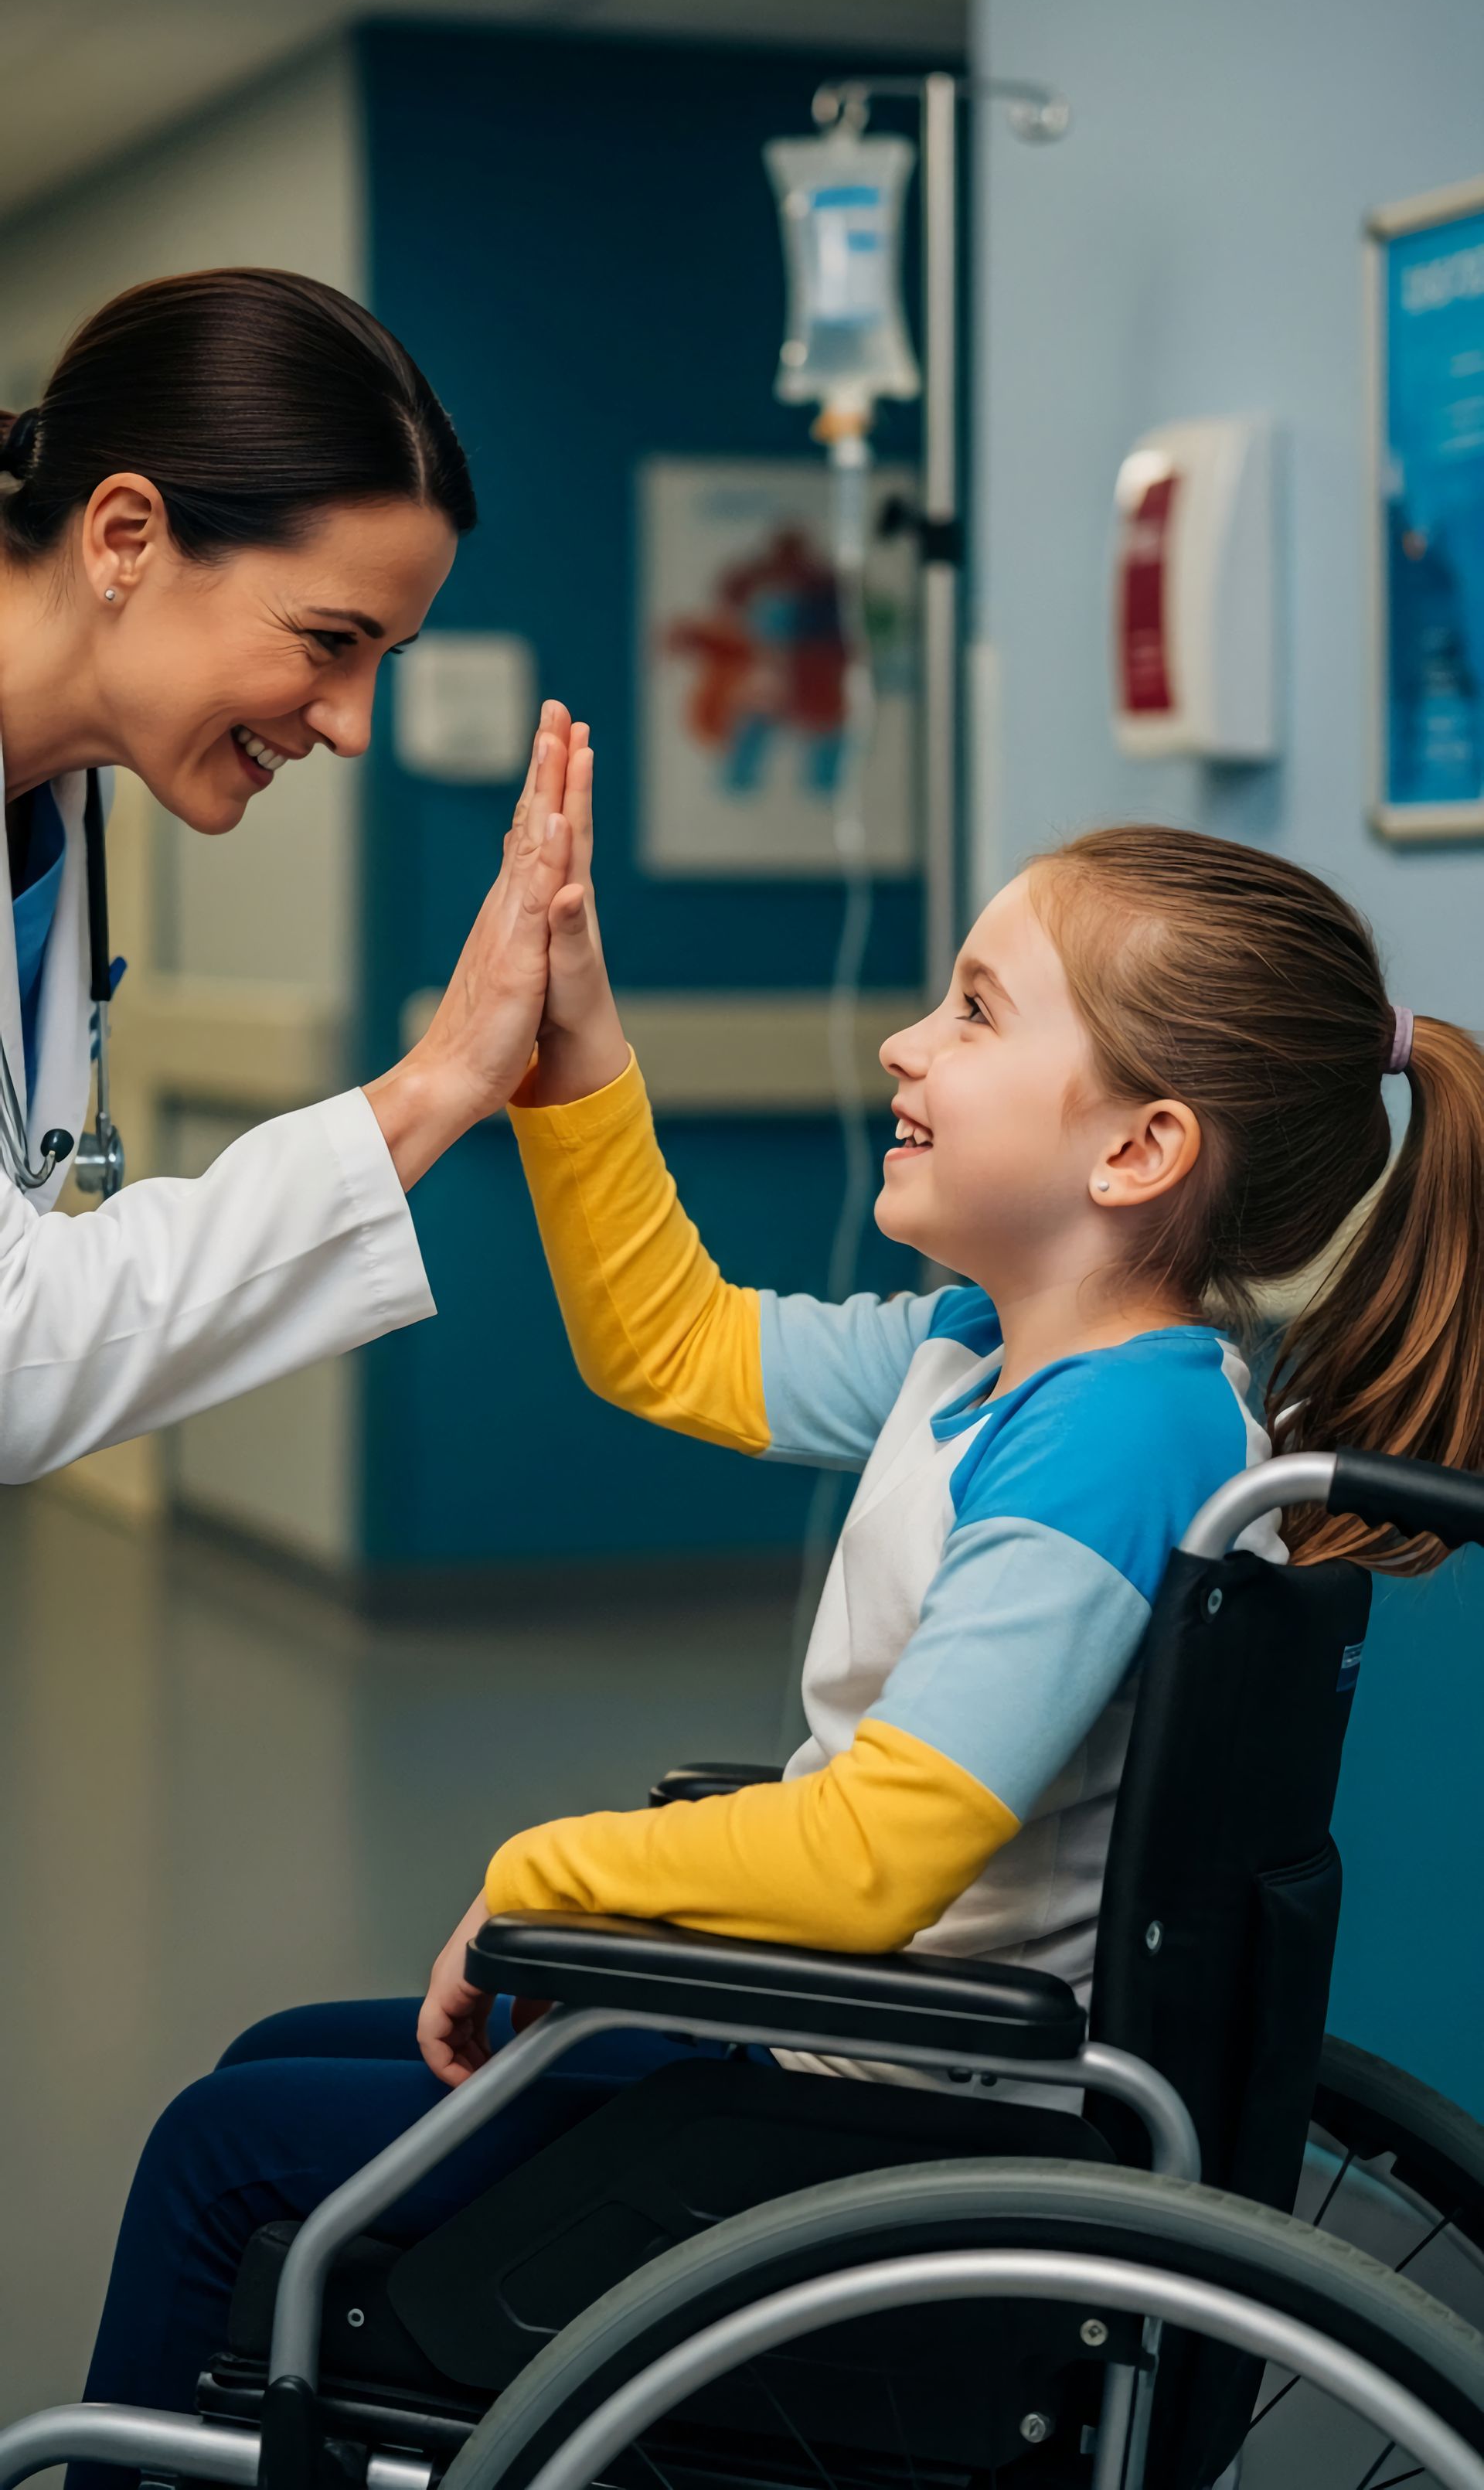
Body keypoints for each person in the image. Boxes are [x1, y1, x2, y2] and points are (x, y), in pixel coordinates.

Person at [70, 770, 1484, 2446]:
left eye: (973, 1009)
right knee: (275, 2057)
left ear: (1139, 1146)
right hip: (850, 2072)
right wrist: (573, 1042)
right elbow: (670, 1343)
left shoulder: (1115, 1431)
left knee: (224, 2151)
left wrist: (544, 1876)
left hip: (898, 2130)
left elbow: (881, 1851)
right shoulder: (989, 1350)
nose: (905, 1041)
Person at [0, 267, 577, 1474]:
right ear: (125, 538)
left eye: (386, 658)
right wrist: (434, 1085)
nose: (354, 726)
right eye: (329, 640)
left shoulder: (59, 806)